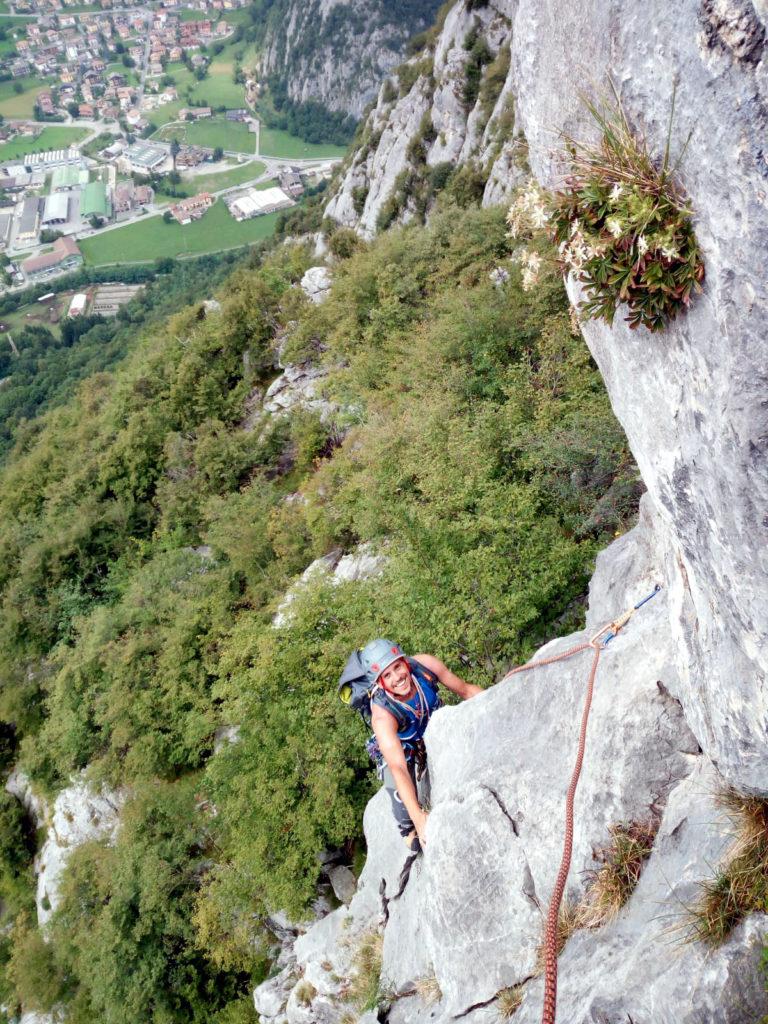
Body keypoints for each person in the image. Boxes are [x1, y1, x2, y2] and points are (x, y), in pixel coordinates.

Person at [360, 639, 483, 854]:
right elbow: (397, 767)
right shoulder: (382, 715)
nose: (397, 677)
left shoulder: (424, 667)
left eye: (397, 667)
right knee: (408, 821)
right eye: (387, 676)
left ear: (404, 661)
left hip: (433, 722)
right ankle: (405, 829)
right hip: (403, 746)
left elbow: (464, 690)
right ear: (379, 683)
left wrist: (496, 700)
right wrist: (418, 819)